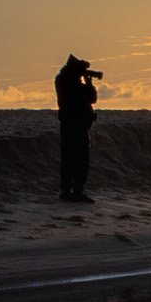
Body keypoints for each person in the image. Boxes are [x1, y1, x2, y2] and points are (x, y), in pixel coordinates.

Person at [54, 54, 100, 202]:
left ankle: (73, 190)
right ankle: (71, 191)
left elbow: (91, 99)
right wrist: (87, 83)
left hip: (77, 125)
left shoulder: (68, 81)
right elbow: (88, 97)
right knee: (75, 159)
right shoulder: (67, 83)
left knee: (74, 159)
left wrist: (87, 82)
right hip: (74, 126)